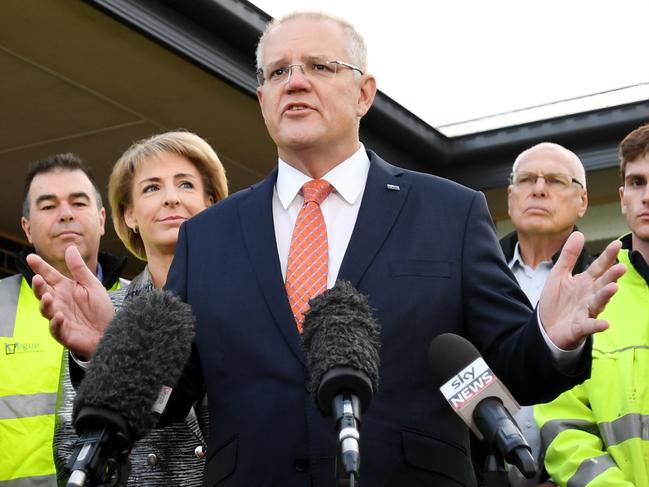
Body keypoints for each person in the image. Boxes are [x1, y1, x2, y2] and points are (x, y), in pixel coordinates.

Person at [27, 12, 625, 487]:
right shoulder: (209, 234)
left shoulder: (449, 211)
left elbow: (508, 366)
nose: (295, 82)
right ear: (261, 100)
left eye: (318, 65)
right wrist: (113, 357)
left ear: (364, 92)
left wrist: (549, 335)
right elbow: (175, 393)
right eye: (278, 72)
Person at [54, 131, 228, 485]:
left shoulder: (251, 302)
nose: (171, 199)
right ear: (129, 215)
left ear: (212, 203)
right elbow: (72, 449)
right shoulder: (107, 311)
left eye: (185, 185)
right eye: (152, 188)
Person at [0, 153, 127, 485]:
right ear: (26, 228)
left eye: (78, 202)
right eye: (48, 205)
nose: (66, 214)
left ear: (102, 219)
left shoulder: (145, 304)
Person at [535, 123, 649, 486]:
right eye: (637, 183)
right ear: (622, 198)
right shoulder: (589, 297)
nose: (646, 195)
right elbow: (562, 423)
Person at [499, 143, 592, 487]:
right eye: (526, 180)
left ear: (582, 200)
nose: (538, 188)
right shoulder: (470, 276)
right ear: (510, 197)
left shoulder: (606, 282)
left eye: (554, 180)